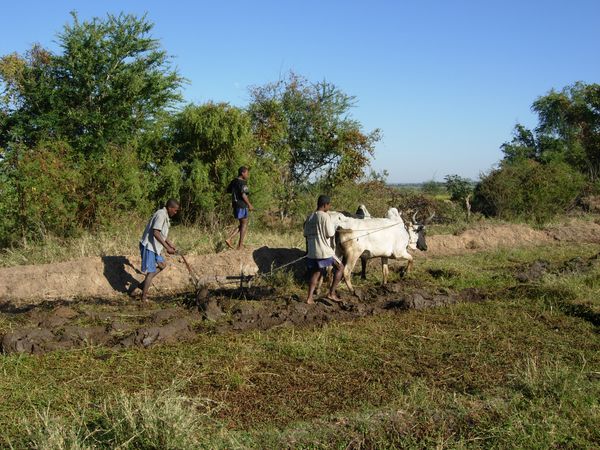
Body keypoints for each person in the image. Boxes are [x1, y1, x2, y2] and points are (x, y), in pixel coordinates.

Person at [135, 199, 180, 303]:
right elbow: (156, 232)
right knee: (151, 271)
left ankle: (142, 285)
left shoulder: (165, 216)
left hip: (155, 247)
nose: (176, 212)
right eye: (175, 210)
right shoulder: (160, 214)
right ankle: (144, 299)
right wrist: (167, 248)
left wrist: (170, 243)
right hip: (149, 246)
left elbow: (162, 234)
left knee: (162, 265)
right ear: (170, 208)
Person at [303, 194, 345, 304]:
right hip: (323, 251)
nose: (329, 207)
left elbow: (306, 233)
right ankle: (331, 293)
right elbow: (330, 233)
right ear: (325, 205)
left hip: (312, 252)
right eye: (329, 205)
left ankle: (309, 298)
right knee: (340, 267)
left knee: (316, 272)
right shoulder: (325, 216)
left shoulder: (310, 216)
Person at [225, 166, 254, 249]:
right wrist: (249, 204)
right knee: (244, 224)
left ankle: (229, 238)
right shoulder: (242, 182)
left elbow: (228, 190)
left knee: (242, 224)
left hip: (235, 205)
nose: (247, 175)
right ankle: (240, 246)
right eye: (247, 173)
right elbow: (243, 194)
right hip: (242, 205)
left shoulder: (234, 181)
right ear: (242, 173)